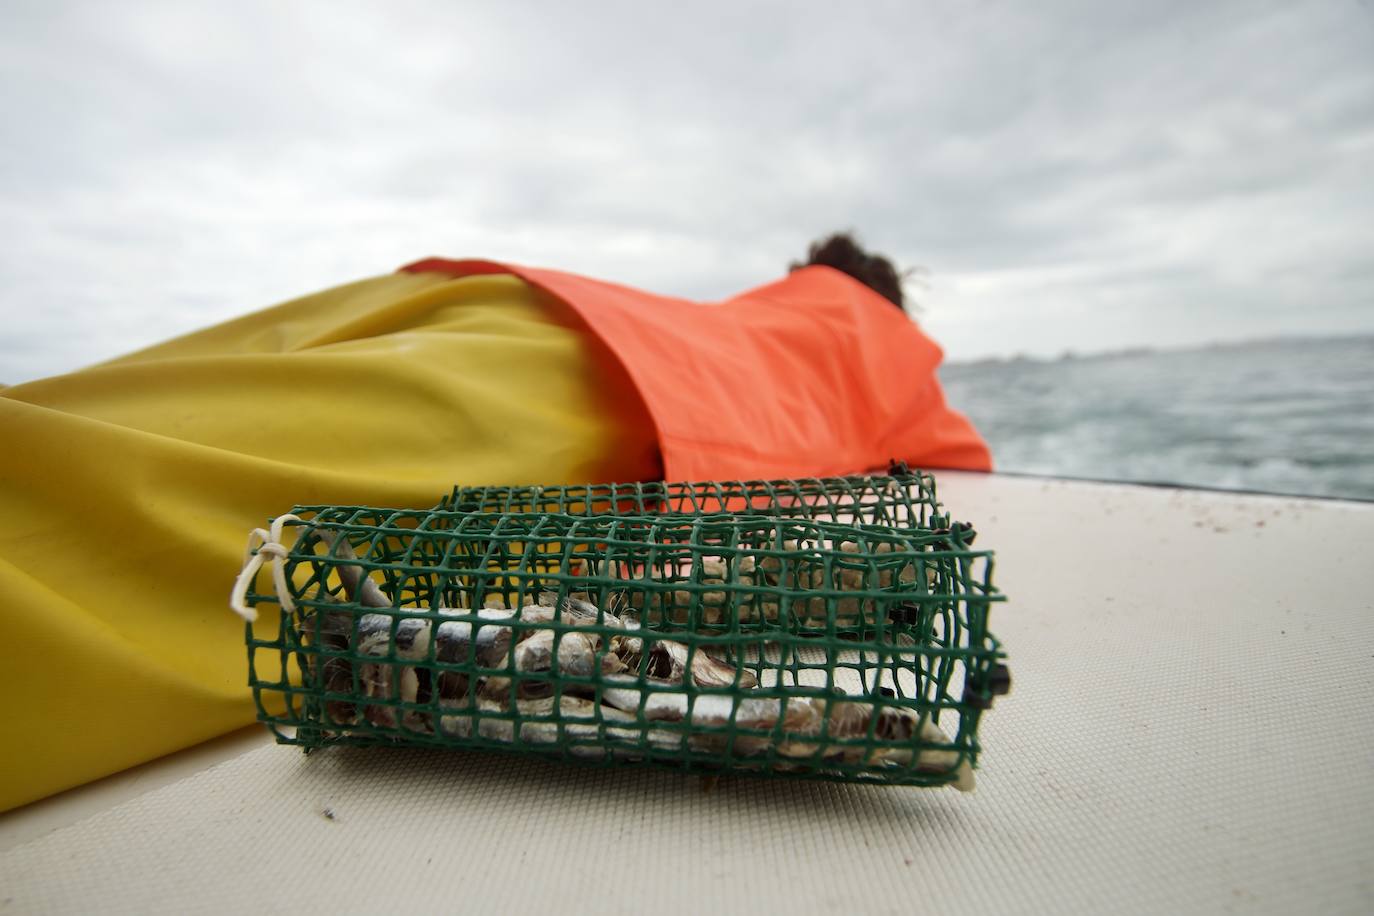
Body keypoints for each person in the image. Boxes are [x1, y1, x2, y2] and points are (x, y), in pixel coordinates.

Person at [0, 232, 989, 811]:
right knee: (97, 571)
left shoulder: (746, 309)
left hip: (479, 306)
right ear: (891, 305)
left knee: (74, 422)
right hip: (581, 401)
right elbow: (965, 470)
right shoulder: (893, 348)